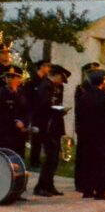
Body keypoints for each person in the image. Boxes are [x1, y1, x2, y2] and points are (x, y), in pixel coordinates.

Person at [76, 70, 105, 199]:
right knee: (102, 163)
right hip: (102, 134)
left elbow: (79, 114)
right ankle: (100, 191)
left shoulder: (84, 97)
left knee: (88, 162)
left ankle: (87, 189)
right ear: (102, 82)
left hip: (87, 134)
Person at [32, 65, 69, 197]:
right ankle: (41, 186)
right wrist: (56, 110)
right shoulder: (45, 86)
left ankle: (49, 184)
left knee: (54, 158)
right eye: (61, 79)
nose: (61, 82)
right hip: (47, 126)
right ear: (56, 76)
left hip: (54, 125)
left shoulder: (56, 87)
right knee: (49, 157)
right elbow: (43, 106)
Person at [73, 61, 101, 193]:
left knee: (93, 155)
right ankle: (80, 182)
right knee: (82, 155)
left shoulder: (97, 88)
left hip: (95, 126)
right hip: (84, 125)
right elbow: (80, 109)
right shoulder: (82, 88)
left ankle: (91, 180)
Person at [24, 59, 51, 168]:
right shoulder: (32, 81)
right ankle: (34, 160)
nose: (49, 69)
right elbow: (28, 98)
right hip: (34, 113)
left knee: (41, 137)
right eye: (47, 66)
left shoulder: (47, 81)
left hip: (44, 113)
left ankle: (39, 159)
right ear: (42, 67)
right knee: (35, 138)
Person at [0, 66, 30, 159]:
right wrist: (15, 122)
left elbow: (27, 110)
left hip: (20, 132)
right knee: (6, 159)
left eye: (13, 77)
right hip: (5, 132)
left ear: (19, 79)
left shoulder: (22, 93)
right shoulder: (2, 93)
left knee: (18, 159)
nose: (9, 79)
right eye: (7, 76)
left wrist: (24, 123)